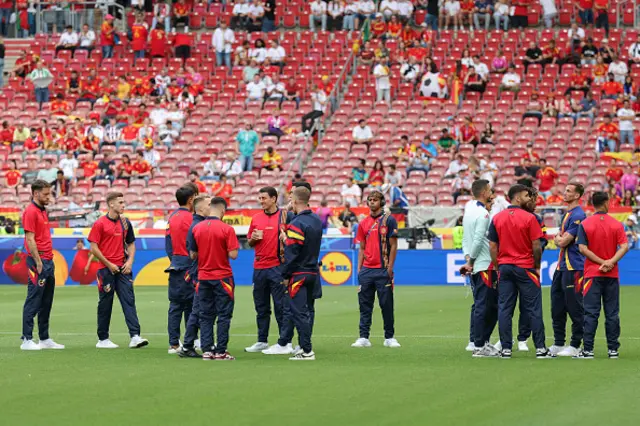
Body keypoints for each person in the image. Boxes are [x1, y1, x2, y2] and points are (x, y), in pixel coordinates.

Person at [488, 184, 553, 358]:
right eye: (526, 196)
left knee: (504, 308)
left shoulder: (497, 218)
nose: (529, 199)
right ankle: (540, 348)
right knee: (533, 308)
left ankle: (506, 349)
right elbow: (536, 245)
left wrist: (497, 266)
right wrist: (537, 266)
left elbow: (492, 246)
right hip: (525, 267)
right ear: (517, 197)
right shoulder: (530, 218)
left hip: (505, 267)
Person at [88, 192, 148, 349]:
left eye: (124, 202)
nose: (123, 205)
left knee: (129, 301)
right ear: (111, 204)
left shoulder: (125, 223)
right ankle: (103, 339)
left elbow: (131, 244)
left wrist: (130, 262)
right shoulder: (100, 224)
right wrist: (108, 264)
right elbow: (93, 248)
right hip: (105, 270)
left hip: (123, 269)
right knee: (105, 304)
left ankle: (135, 336)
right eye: (120, 202)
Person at [576, 191, 629, 358]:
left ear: (593, 204)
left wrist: (600, 262)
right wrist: (610, 262)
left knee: (591, 312)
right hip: (611, 274)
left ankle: (588, 349)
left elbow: (582, 248)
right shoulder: (616, 224)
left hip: (592, 274)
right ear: (606, 203)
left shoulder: (585, 223)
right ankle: (613, 349)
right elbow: (625, 246)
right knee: (612, 313)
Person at [188, 197, 239, 360]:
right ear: (223, 211)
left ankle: (207, 349)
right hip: (222, 277)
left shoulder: (197, 228)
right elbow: (234, 254)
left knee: (205, 314)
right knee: (224, 314)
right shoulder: (227, 229)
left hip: (203, 276)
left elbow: (193, 254)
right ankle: (221, 350)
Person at [244, 187, 291, 354]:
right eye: (260, 198)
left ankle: (284, 342)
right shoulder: (256, 218)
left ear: (274, 199)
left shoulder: (284, 216)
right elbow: (249, 241)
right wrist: (253, 239)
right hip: (259, 268)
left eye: (264, 198)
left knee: (281, 306)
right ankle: (262, 340)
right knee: (261, 307)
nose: (261, 201)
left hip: (277, 267)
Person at [351, 191, 400, 349]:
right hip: (366, 271)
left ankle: (389, 337)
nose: (372, 202)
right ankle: (363, 337)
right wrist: (359, 270)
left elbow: (393, 246)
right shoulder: (363, 223)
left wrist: (390, 268)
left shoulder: (389, 220)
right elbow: (361, 248)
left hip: (382, 270)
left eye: (375, 200)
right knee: (365, 306)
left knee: (386, 305)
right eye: (370, 200)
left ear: (382, 202)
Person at [20, 180, 65, 351]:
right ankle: (27, 339)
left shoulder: (43, 211)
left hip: (48, 260)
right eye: (46, 194)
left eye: (49, 194)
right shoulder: (30, 212)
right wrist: (38, 261)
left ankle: (44, 338)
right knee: (34, 299)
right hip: (38, 262)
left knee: (46, 301)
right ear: (36, 194)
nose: (49, 197)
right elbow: (30, 239)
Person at [280, 187, 323, 360]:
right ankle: (304, 347)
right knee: (307, 311)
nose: (289, 202)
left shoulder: (297, 223)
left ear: (296, 201)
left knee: (299, 312)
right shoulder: (316, 220)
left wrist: (285, 275)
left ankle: (306, 350)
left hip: (299, 273)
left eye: (291, 199)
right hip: (313, 271)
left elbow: (293, 251)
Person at [460, 180, 499, 357]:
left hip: (477, 265)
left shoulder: (469, 212)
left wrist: (468, 258)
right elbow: (477, 240)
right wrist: (472, 261)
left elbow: (465, 239)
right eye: (490, 190)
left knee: (483, 305)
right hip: (484, 265)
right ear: (484, 192)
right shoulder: (483, 214)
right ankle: (479, 345)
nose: (491, 193)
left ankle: (481, 342)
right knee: (486, 306)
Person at [550, 183, 587, 358]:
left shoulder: (579, 215)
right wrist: (559, 238)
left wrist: (559, 238)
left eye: (569, 191)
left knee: (575, 307)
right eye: (565, 190)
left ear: (578, 195)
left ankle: (576, 344)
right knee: (557, 306)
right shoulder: (568, 214)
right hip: (561, 267)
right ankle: (558, 342)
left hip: (574, 267)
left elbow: (563, 241)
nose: (565, 193)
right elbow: (559, 238)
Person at [165, 185, 197, 354]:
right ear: (191, 199)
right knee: (191, 303)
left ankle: (174, 342)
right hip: (189, 263)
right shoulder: (191, 218)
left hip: (176, 262)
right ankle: (190, 340)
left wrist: (174, 260)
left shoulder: (172, 217)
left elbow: (168, 243)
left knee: (176, 304)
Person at [177, 195, 211, 358]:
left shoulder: (196, 224)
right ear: (201, 208)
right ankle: (190, 344)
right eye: (209, 204)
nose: (212, 207)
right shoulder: (198, 226)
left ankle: (198, 342)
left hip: (199, 271)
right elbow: (193, 253)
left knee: (200, 309)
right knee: (199, 310)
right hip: (200, 272)